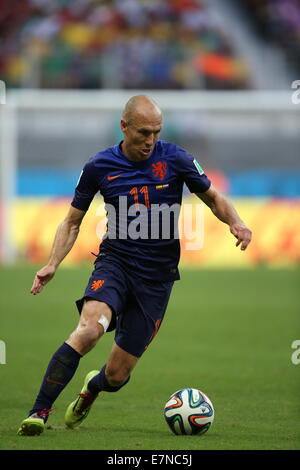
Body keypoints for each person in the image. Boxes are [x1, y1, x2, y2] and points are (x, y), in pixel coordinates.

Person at [17, 95, 252, 436]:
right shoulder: (99, 166)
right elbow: (71, 222)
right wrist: (53, 263)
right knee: (89, 330)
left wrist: (237, 222)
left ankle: (91, 389)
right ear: (124, 127)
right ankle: (38, 411)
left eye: (157, 132)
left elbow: (214, 197)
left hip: (156, 280)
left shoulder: (176, 158)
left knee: (116, 376)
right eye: (144, 132)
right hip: (115, 264)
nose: (150, 140)